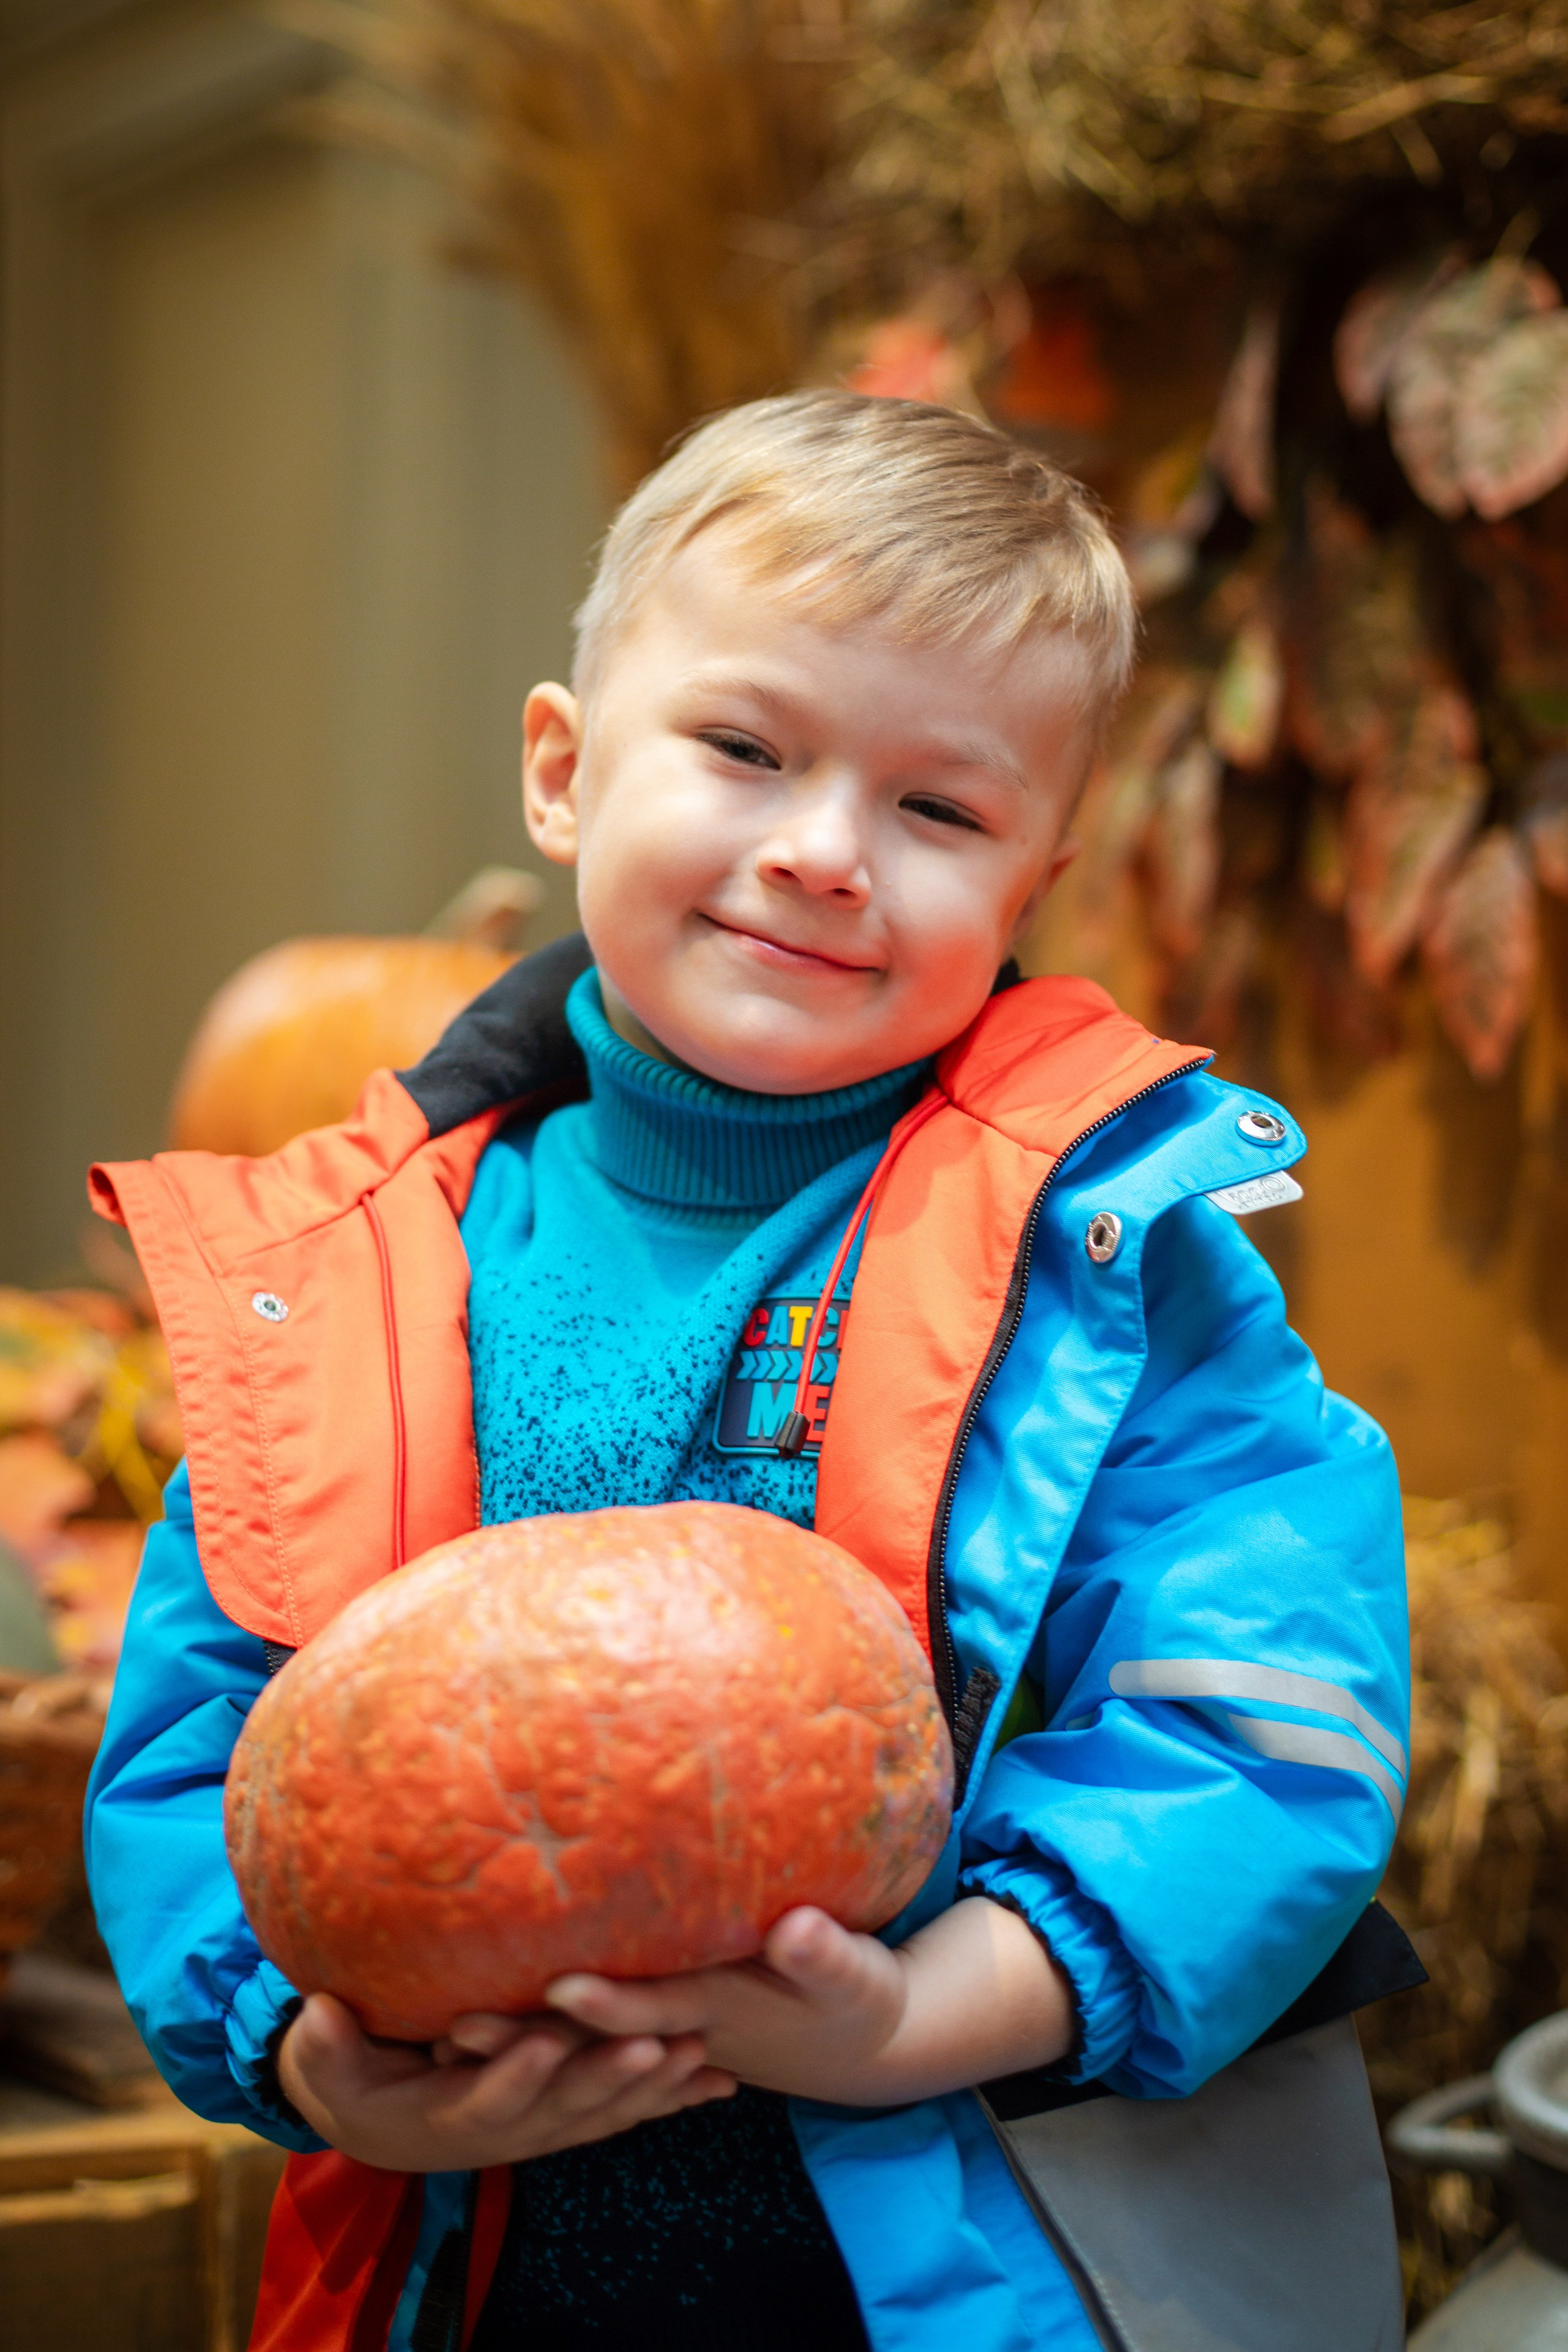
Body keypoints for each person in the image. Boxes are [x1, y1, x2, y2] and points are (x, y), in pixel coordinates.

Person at [85, 391, 1412, 2352]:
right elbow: (207, 1737)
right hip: (472, 2266)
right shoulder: (354, 1273)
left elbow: (1264, 1718)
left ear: (1033, 880)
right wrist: (307, 2055)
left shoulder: (1115, 1267)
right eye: (744, 748)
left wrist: (923, 2016)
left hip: (954, 2261)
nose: (822, 853)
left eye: (937, 809)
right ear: (560, 769)